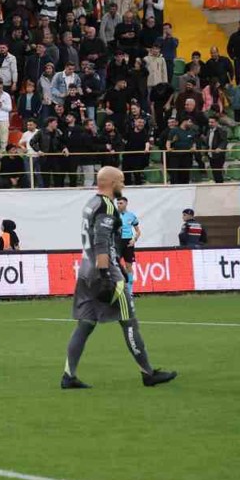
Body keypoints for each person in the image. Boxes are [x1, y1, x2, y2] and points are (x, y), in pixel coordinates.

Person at [62, 166, 177, 390]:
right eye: (121, 181)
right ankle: (148, 373)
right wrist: (106, 274)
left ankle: (69, 375)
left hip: (85, 269)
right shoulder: (106, 206)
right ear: (112, 182)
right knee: (128, 320)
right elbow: (101, 241)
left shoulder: (90, 203)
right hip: (104, 271)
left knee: (86, 323)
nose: (123, 185)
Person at [116, 196, 141, 294]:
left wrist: (134, 239)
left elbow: (138, 231)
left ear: (126, 204)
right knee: (115, 265)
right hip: (117, 242)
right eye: (118, 203)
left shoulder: (131, 216)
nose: (119, 205)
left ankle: (130, 290)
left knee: (128, 266)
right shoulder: (113, 215)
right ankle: (118, 287)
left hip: (128, 242)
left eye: (121, 203)